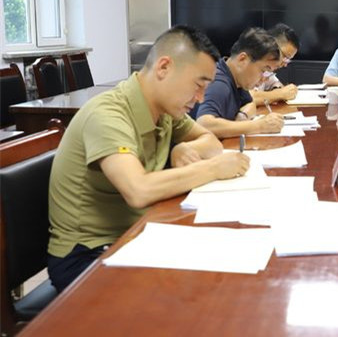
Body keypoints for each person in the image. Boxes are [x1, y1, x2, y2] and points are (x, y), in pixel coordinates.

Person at [48, 25, 250, 292]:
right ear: (164, 67)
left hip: (137, 232)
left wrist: (181, 148)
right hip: (87, 253)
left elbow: (210, 142)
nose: (200, 97)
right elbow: (138, 190)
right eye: (198, 85)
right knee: (194, 292)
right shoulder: (108, 115)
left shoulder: (164, 110)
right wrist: (213, 169)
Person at [194, 27, 284, 138]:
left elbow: (250, 103)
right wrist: (259, 126)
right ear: (242, 59)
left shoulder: (237, 79)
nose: (264, 79)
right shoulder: (218, 83)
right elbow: (204, 124)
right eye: (264, 71)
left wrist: (242, 116)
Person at [251, 23, 300, 104]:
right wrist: (280, 94)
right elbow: (249, 98)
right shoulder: (251, 62)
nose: (285, 64)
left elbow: (275, 83)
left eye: (288, 60)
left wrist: (278, 90)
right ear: (272, 45)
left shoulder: (268, 68)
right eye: (285, 56)